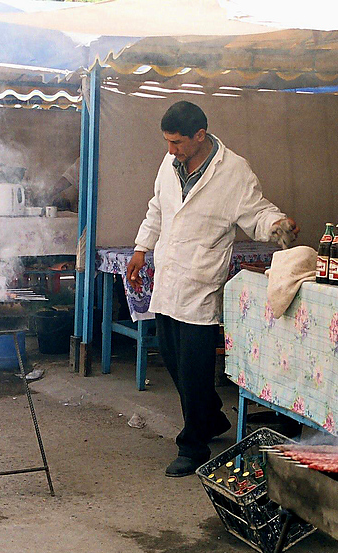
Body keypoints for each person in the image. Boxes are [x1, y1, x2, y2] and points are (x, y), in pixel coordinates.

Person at [126, 101, 299, 478]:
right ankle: (212, 417)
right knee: (171, 357)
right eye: (168, 142)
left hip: (201, 279)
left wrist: (276, 223)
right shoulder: (169, 163)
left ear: (200, 135)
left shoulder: (233, 170)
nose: (172, 149)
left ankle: (193, 444)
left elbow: (255, 211)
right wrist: (141, 248)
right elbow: (157, 207)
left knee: (194, 367)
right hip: (169, 276)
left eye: (177, 142)